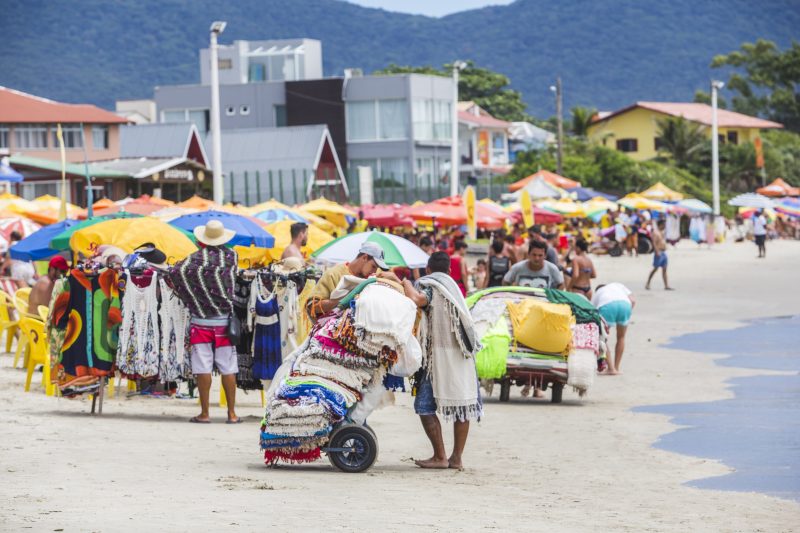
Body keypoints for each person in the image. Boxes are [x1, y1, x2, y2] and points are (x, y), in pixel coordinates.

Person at [401, 251, 481, 470]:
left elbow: (417, 299)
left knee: (424, 406)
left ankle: (440, 456)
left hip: (436, 358)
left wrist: (407, 282)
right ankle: (456, 458)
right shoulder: (455, 289)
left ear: (428, 270)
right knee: (463, 405)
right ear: (449, 270)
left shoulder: (431, 286)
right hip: (463, 356)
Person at [165, 220, 241, 424]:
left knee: (203, 367)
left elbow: (174, 274)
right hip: (225, 321)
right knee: (228, 367)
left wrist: (192, 298)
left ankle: (205, 413)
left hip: (200, 321)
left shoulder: (193, 260)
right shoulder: (231, 257)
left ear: (202, 239)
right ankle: (232, 414)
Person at [306, 242, 388, 321]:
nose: (375, 271)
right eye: (373, 266)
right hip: (333, 332)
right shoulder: (333, 274)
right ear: (364, 257)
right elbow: (312, 307)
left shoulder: (373, 278)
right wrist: (344, 300)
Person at [592, 283, 635, 374]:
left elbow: (592, 310)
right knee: (621, 337)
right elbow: (633, 301)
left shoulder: (597, 293)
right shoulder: (617, 285)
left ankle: (611, 369)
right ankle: (616, 367)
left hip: (607, 306)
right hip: (625, 305)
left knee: (602, 338)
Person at [646, 220, 673, 290]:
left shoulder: (661, 232)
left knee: (664, 269)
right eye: (663, 225)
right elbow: (654, 243)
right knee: (655, 269)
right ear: (660, 225)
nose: (664, 226)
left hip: (663, 252)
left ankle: (666, 285)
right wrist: (657, 251)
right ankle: (648, 283)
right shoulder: (655, 232)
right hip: (659, 252)